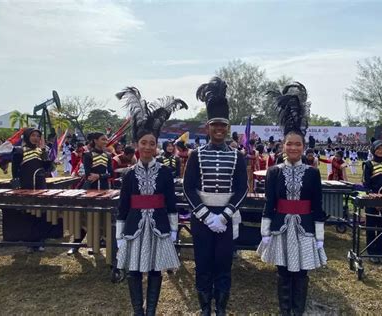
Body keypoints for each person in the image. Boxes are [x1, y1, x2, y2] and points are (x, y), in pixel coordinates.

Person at [115, 87, 187, 315]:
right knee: (134, 270)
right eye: (143, 142)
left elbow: (171, 204)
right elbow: (123, 206)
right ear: (137, 144)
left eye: (152, 143)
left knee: (156, 270)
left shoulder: (166, 172)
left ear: (157, 145)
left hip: (159, 227)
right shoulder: (127, 174)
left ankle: (152, 309)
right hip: (134, 227)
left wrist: (174, 230)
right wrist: (119, 234)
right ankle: (138, 310)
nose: (148, 147)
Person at [257, 82, 327, 315]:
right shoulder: (274, 171)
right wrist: (265, 232)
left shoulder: (313, 173)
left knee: (302, 272)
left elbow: (317, 206)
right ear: (283, 145)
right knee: (283, 271)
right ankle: (285, 311)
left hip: (306, 229)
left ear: (304, 146)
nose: (294, 147)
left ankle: (298, 311)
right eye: (289, 143)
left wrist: (319, 237)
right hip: (280, 228)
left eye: (298, 144)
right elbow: (270, 203)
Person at [183, 77, 248, 315]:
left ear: (227, 128)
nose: (219, 130)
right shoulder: (195, 155)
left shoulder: (237, 156)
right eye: (215, 125)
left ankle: (220, 308)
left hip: (226, 219)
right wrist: (206, 215)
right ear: (208, 127)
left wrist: (225, 215)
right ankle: (205, 309)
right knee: (203, 264)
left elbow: (242, 188)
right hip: (202, 219)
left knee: (223, 264)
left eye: (223, 126)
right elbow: (188, 188)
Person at [8, 128, 55, 251]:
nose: (36, 138)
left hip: (40, 186)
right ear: (27, 136)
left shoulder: (41, 151)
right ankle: (30, 242)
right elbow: (14, 171)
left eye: (38, 136)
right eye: (33, 135)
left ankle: (40, 240)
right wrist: (17, 186)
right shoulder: (19, 151)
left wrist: (45, 154)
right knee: (28, 215)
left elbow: (49, 168)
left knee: (40, 214)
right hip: (26, 186)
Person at [67, 132, 113, 255]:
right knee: (85, 217)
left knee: (102, 217)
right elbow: (87, 173)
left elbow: (111, 173)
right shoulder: (87, 155)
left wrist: (99, 176)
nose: (105, 141)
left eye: (106, 139)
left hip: (104, 189)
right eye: (103, 139)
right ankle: (76, 244)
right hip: (90, 189)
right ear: (95, 140)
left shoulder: (108, 155)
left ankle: (98, 243)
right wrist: (97, 176)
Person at [362, 140, 382, 263]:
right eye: (378, 149)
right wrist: (375, 201)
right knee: (371, 228)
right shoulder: (368, 164)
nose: (380, 151)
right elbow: (366, 185)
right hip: (372, 200)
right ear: (373, 150)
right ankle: (371, 252)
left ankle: (380, 252)